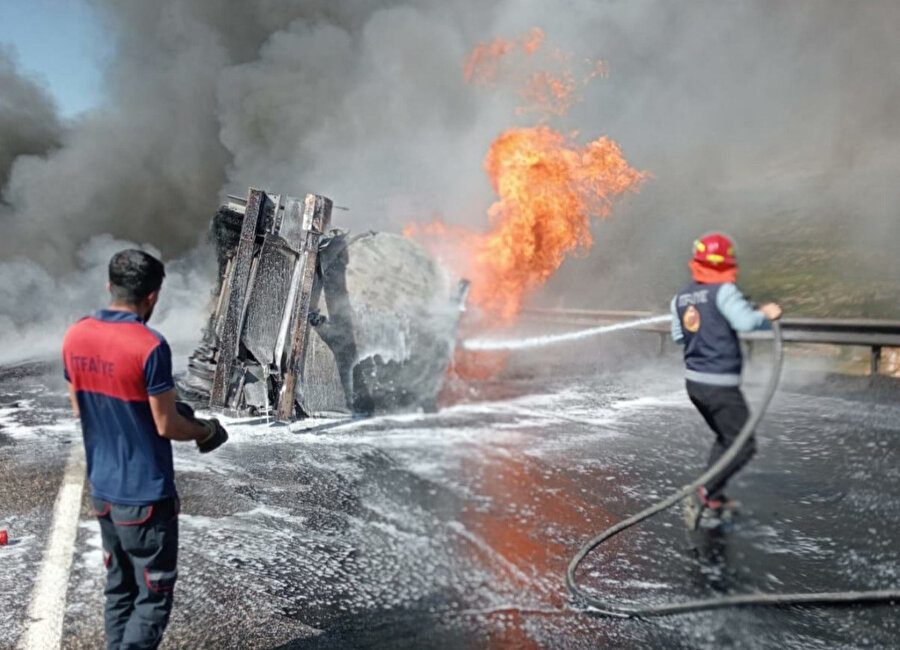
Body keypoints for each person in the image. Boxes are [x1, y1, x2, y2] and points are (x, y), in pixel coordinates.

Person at [62, 249, 228, 649]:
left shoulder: (76, 334)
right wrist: (205, 430)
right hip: (146, 499)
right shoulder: (149, 345)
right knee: (152, 600)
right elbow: (167, 424)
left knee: (118, 589)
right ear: (152, 296)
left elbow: (79, 407)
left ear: (109, 286)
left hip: (103, 491)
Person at [670, 233, 781, 529]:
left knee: (726, 438)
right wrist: (765, 314)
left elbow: (679, 336)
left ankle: (714, 498)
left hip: (694, 385)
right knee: (744, 445)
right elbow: (745, 323)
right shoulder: (725, 291)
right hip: (720, 386)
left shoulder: (680, 297)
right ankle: (703, 494)